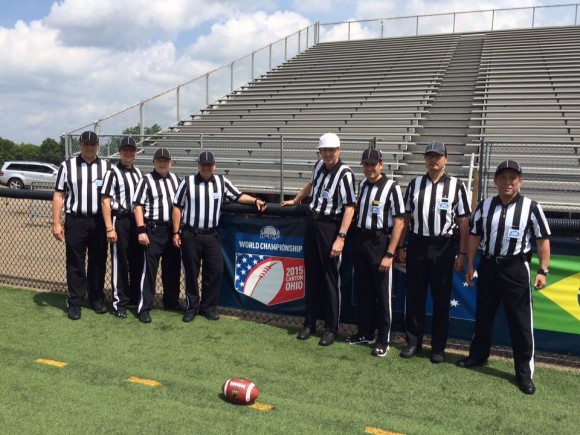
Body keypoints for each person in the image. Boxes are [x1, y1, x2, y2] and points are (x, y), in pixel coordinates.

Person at [457, 160, 551, 395]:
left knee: (520, 324)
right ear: (495, 181)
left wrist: (543, 270)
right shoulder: (484, 205)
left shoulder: (531, 207)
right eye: (503, 178)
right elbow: (475, 236)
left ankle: (524, 374)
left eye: (513, 178)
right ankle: (477, 357)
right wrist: (470, 264)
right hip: (488, 266)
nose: (508, 182)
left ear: (520, 181)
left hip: (516, 269)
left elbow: (542, 240)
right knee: (483, 316)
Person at [172, 151, 267, 323]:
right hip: (191, 234)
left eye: (210, 165)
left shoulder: (222, 181)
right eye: (203, 164)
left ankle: (208, 307)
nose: (206, 167)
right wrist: (176, 232)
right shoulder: (187, 182)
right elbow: (177, 207)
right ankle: (191, 307)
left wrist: (255, 200)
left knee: (215, 271)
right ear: (198, 165)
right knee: (191, 273)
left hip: (211, 235)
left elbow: (238, 196)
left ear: (214, 166)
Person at [281, 132, 356, 346]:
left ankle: (331, 328)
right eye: (325, 150)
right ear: (320, 152)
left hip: (330, 226)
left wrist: (341, 237)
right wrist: (296, 200)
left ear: (339, 150)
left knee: (330, 278)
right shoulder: (318, 166)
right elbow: (312, 184)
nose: (329, 154)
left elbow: (350, 207)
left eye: (332, 150)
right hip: (312, 224)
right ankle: (309, 323)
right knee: (311, 276)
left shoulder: (345, 174)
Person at [398, 140, 470, 363]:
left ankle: (438, 347)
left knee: (441, 299)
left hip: (443, 247)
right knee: (415, 296)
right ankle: (413, 342)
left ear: (446, 159)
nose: (433, 160)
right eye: (429, 155)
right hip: (418, 245)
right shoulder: (414, 184)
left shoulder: (457, 186)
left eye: (437, 156)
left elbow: (464, 222)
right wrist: (402, 245)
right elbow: (406, 218)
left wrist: (463, 254)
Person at [346, 149, 405, 357]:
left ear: (381, 164)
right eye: (366, 164)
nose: (369, 168)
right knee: (364, 290)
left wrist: (390, 253)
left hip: (380, 241)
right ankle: (365, 332)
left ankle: (383, 339)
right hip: (361, 239)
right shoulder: (362, 184)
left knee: (383, 293)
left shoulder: (392, 187)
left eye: (373, 164)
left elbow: (399, 221)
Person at [52, 130, 111, 320]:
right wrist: (56, 222)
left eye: (92, 144)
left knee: (98, 260)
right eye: (85, 144)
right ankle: (75, 301)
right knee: (75, 262)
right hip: (75, 220)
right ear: (80, 145)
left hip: (98, 221)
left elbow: (111, 196)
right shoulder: (67, 166)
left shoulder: (106, 166)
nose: (89, 147)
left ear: (98, 146)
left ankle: (96, 298)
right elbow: (59, 195)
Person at [133, 148, 181, 323]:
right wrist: (141, 230)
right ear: (153, 162)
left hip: (171, 230)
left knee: (172, 268)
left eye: (165, 160)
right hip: (153, 229)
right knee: (149, 271)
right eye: (159, 160)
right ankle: (144, 307)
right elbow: (138, 206)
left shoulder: (176, 179)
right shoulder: (145, 180)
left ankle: (171, 302)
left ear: (170, 162)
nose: (162, 163)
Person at [101, 136, 143, 318]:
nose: (128, 153)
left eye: (131, 150)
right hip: (121, 219)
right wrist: (110, 227)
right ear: (120, 152)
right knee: (120, 262)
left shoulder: (139, 173)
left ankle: (134, 297)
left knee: (136, 260)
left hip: (136, 220)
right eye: (125, 150)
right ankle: (120, 303)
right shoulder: (112, 172)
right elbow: (105, 200)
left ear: (135, 153)